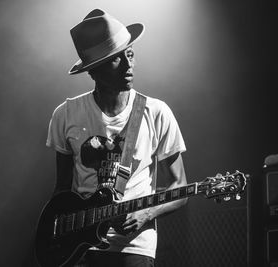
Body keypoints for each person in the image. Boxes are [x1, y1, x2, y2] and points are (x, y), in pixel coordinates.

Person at [46, 8, 188, 267]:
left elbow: (181, 185)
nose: (128, 64)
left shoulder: (156, 112)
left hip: (134, 247)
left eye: (130, 54)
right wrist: (55, 239)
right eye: (116, 59)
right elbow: (61, 191)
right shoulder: (65, 114)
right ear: (93, 71)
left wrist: (148, 213)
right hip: (79, 248)